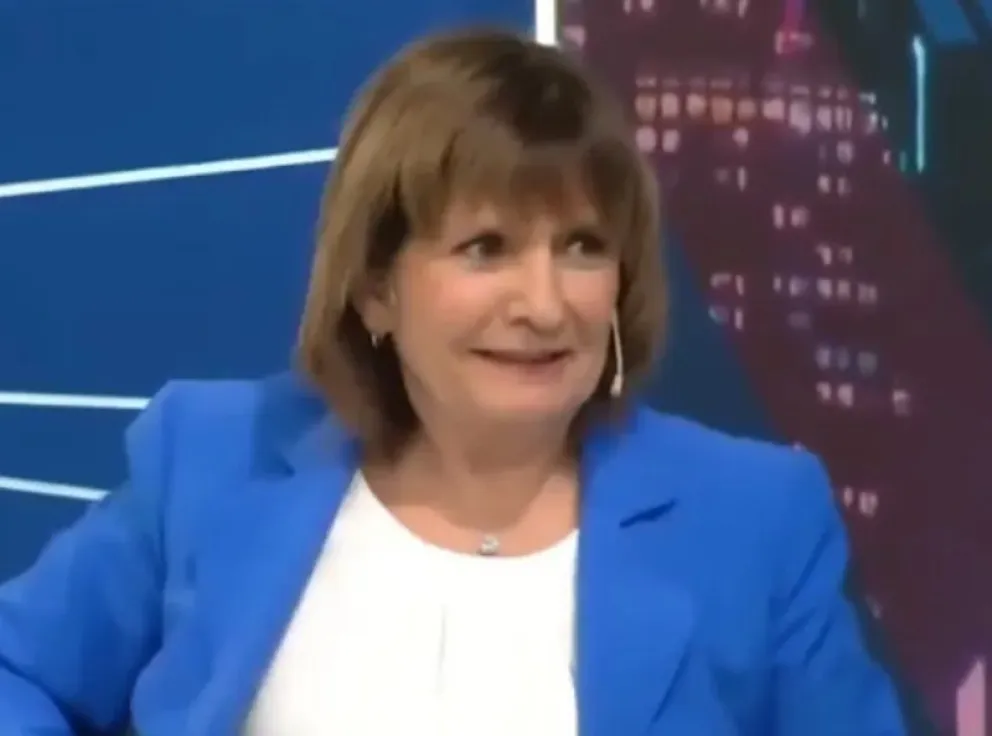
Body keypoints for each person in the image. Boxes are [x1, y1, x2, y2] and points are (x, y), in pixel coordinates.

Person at [0, 28, 906, 736]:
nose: (545, 305)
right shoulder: (212, 460)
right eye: (486, 249)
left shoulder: (755, 518)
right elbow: (17, 671)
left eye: (582, 247)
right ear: (376, 286)